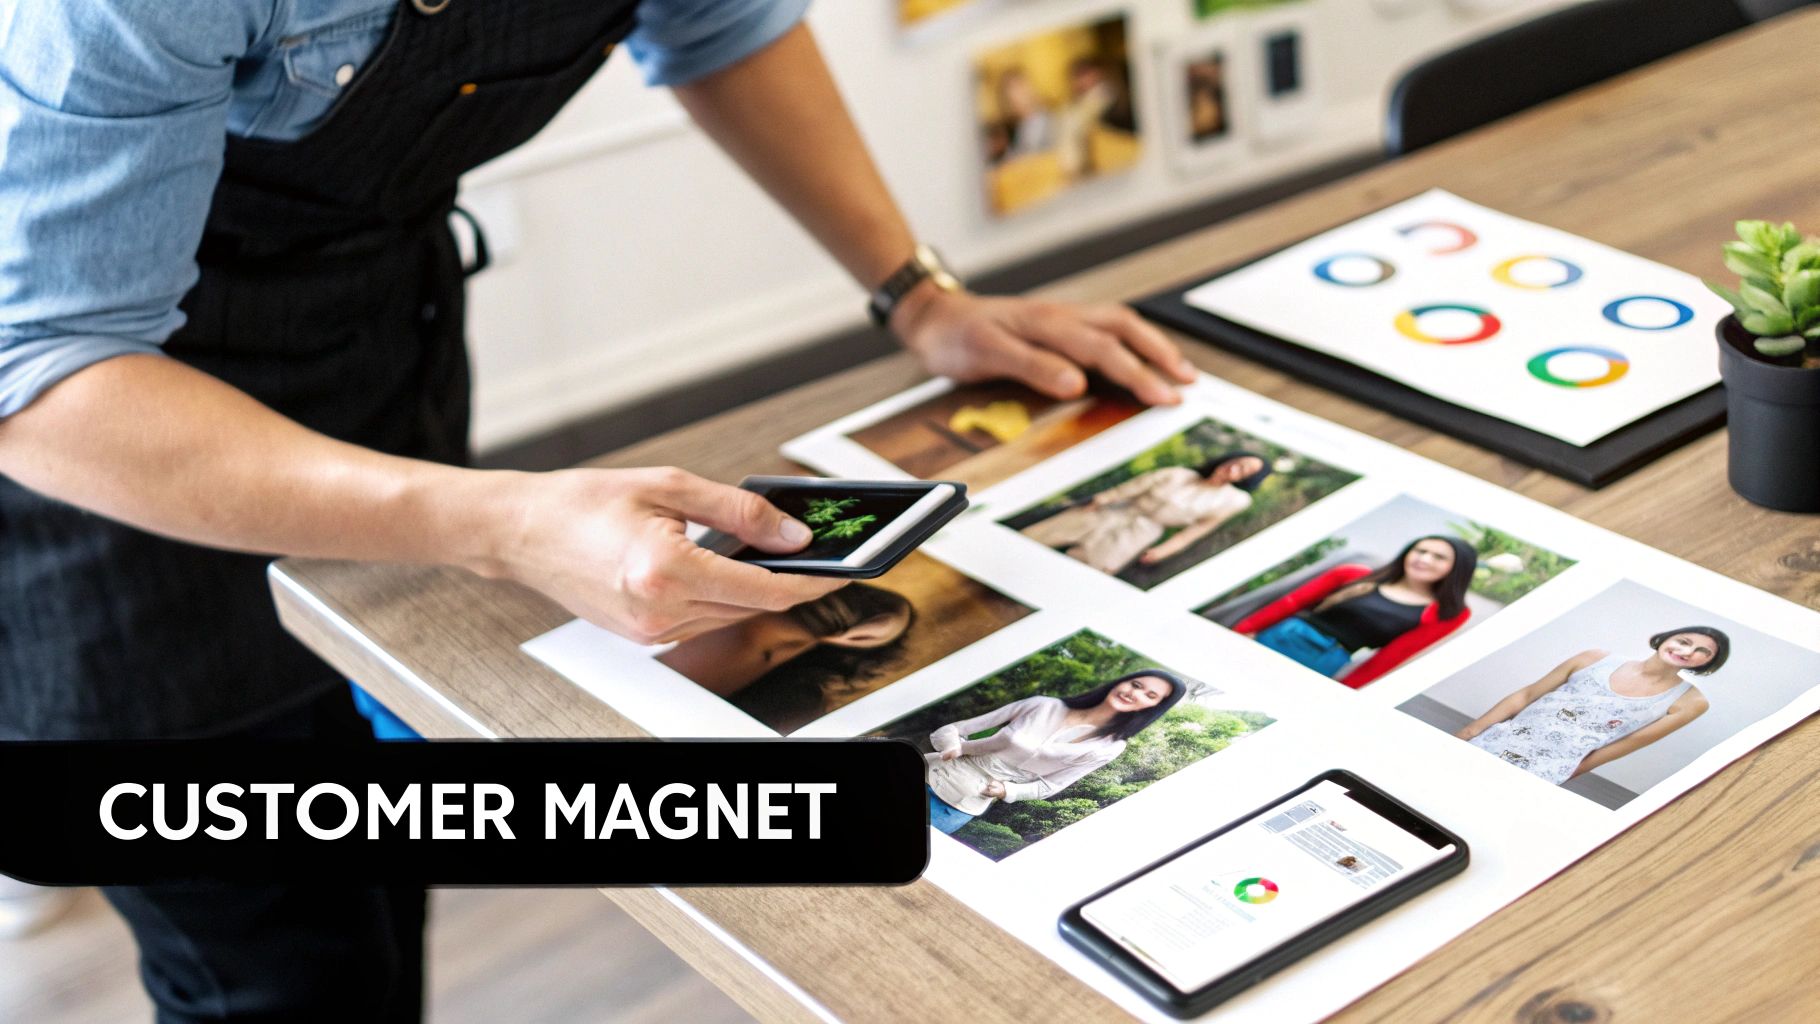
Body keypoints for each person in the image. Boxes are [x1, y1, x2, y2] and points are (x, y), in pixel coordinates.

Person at [0, 2, 1196, 1017]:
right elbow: (44, 365)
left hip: (371, 343)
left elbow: (724, 23)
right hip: (103, 455)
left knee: (364, 797)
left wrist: (914, 294)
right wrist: (501, 525)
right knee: (265, 944)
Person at [923, 670, 1186, 835]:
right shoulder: (1043, 705)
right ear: (1122, 681)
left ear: (1153, 708)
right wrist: (951, 746)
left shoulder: (1110, 747)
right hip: (927, 772)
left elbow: (1052, 785)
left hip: (959, 804)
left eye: (1150, 696)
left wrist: (1007, 791)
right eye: (1136, 684)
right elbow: (953, 730)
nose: (1134, 693)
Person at [1455, 627, 1728, 785]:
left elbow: (1627, 744)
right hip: (1495, 742)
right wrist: (1471, 731)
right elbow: (1527, 695)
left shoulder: (1690, 702)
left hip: (1547, 770)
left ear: (1707, 663)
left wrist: (1567, 773)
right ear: (1666, 639)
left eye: (1703, 652)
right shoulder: (1595, 658)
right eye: (1684, 641)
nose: (1687, 652)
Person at [657, 583, 914, 731]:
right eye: (873, 604)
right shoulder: (738, 596)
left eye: (877, 621)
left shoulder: (796, 700)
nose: (873, 617)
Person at [1233, 535, 1478, 688]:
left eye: (1438, 557)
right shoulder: (1353, 574)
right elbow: (1291, 602)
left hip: (1324, 659)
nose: (1424, 558)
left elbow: (1388, 659)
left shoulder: (1447, 614)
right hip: (1282, 635)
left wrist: (1344, 691)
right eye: (1420, 550)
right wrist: (1242, 631)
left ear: (1457, 568)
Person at [1019, 452, 1271, 575]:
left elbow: (1196, 530)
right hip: (1116, 510)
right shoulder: (1179, 474)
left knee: (1092, 564)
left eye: (1244, 470)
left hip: (1143, 530)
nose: (1234, 469)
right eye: (1237, 461)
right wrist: (1104, 498)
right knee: (1043, 535)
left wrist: (1165, 550)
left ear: (1247, 479)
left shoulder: (1234, 500)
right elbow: (1134, 487)